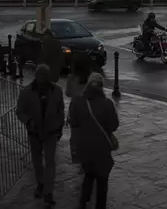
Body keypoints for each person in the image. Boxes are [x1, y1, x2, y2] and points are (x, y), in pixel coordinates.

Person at [16, 64, 65, 209]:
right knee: (37, 161)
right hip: (34, 132)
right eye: (39, 75)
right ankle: (40, 184)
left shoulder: (56, 91)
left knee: (50, 163)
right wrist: (28, 121)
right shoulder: (27, 92)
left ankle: (48, 193)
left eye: (44, 75)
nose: (41, 78)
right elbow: (20, 111)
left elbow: (60, 110)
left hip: (50, 132)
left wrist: (59, 128)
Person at [69, 73, 119, 209]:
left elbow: (73, 122)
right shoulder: (107, 103)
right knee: (102, 181)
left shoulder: (78, 102)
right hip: (102, 149)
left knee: (88, 176)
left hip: (85, 147)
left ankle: (83, 202)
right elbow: (114, 125)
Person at [66, 53, 93, 167]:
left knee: (76, 135)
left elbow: (68, 93)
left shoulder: (71, 78)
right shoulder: (91, 77)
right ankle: (89, 157)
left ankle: (79, 158)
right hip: (89, 108)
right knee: (89, 134)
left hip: (75, 108)